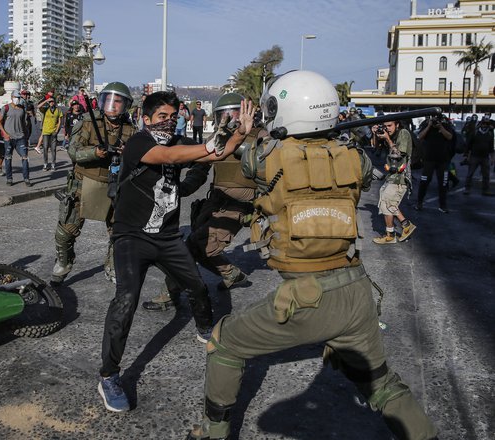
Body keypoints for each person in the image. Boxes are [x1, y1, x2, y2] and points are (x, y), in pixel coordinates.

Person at [186, 70, 437, 440]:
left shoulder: (265, 157)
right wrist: (331, 135)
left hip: (306, 295)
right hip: (356, 291)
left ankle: (213, 431)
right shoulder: (354, 156)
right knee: (382, 384)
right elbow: (362, 172)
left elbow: (241, 158)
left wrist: (249, 126)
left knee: (224, 342)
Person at [97, 91, 254, 413]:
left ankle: (203, 330)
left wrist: (240, 133)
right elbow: (169, 158)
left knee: (196, 286)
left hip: (167, 237)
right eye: (161, 117)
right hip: (132, 237)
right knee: (126, 300)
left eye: (172, 116)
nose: (168, 122)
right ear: (146, 118)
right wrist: (210, 144)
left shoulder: (178, 141)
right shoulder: (140, 142)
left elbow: (215, 155)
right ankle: (109, 375)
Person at [142, 92, 262, 311]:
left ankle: (169, 294)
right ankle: (230, 275)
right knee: (193, 247)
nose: (231, 118)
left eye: (235, 113)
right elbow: (200, 167)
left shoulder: (262, 139)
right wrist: (182, 189)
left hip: (239, 206)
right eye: (224, 114)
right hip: (215, 201)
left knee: (194, 246)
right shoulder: (221, 136)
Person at [51, 82, 135, 286]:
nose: (113, 105)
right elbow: (73, 152)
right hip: (82, 184)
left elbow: (139, 160)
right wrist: (94, 153)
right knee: (65, 232)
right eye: (109, 100)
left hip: (114, 186)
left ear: (126, 105)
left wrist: (128, 154)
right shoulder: (88, 122)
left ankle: (113, 266)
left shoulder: (131, 130)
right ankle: (63, 263)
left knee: (119, 234)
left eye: (118, 101)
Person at [372, 120, 417, 244]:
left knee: (387, 204)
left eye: (389, 126)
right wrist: (375, 134)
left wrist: (387, 139)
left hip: (401, 177)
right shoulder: (390, 135)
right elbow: (375, 149)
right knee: (386, 203)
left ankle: (392, 235)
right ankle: (404, 227)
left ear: (397, 125)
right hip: (392, 176)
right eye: (385, 126)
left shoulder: (403, 133)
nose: (387, 129)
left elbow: (399, 154)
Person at [415, 114, 454, 213]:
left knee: (443, 184)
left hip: (443, 160)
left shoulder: (445, 125)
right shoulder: (427, 125)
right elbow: (420, 136)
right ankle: (419, 203)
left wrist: (441, 127)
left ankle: (443, 205)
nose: (436, 121)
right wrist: (429, 126)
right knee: (424, 182)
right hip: (429, 159)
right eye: (434, 119)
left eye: (438, 119)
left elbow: (450, 137)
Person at [0, 90, 31, 187]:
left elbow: (24, 124)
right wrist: (4, 134)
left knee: (25, 157)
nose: (17, 99)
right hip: (9, 138)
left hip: (21, 138)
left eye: (18, 97)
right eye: (15, 97)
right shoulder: (6, 108)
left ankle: (26, 178)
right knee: (8, 158)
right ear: (12, 97)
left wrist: (26, 135)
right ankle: (9, 178)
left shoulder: (22, 109)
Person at [464, 117, 494, 196]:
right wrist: (467, 155)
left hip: (485, 157)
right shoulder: (475, 133)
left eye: (486, 124)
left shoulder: (490, 134)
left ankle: (485, 190)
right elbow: (468, 145)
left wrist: (493, 158)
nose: (485, 125)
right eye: (483, 123)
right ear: (481, 124)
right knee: (470, 173)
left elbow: (491, 147)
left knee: (486, 174)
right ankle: (467, 188)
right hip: (474, 156)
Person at [37, 96, 63, 171]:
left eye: (52, 101)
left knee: (53, 149)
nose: (51, 103)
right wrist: (46, 100)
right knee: (45, 148)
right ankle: (45, 164)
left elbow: (60, 122)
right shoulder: (45, 109)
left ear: (55, 102)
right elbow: (38, 106)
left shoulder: (58, 110)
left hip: (53, 132)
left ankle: (53, 164)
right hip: (45, 132)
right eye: (50, 101)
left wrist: (56, 131)